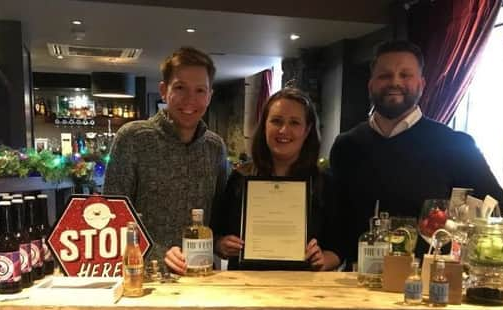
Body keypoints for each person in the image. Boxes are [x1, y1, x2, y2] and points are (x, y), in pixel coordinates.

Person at [329, 40, 503, 265]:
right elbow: (336, 220)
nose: (395, 82)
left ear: (421, 84)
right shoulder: (347, 146)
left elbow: (497, 213)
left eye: (405, 75)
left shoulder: (455, 145)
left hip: (429, 288)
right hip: (356, 284)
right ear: (371, 84)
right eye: (385, 75)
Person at [104, 46, 228, 266]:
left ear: (210, 96)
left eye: (200, 90)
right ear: (164, 90)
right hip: (146, 277)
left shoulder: (215, 147)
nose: (190, 99)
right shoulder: (133, 138)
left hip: (203, 274)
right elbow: (113, 214)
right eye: (180, 87)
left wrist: (221, 242)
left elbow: (218, 215)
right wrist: (158, 254)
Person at [212, 87, 343, 271]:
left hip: (304, 290)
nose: (283, 130)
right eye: (276, 121)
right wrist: (222, 244)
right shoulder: (240, 178)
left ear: (307, 130)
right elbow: (216, 233)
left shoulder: (323, 184)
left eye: (294, 123)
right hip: (246, 288)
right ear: (264, 125)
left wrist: (324, 259)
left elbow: (338, 247)